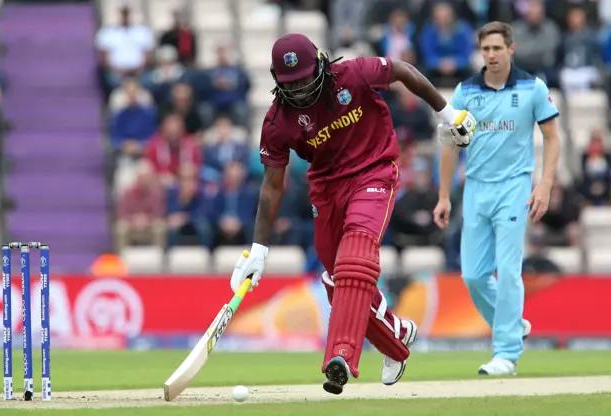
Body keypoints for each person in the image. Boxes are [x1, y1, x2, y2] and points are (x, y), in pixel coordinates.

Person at [228, 33, 476, 394]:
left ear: (321, 65)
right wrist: (259, 248)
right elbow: (272, 185)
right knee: (335, 279)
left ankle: (341, 355)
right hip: (327, 189)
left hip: (374, 170)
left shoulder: (354, 73)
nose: (298, 89)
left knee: (354, 259)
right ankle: (396, 337)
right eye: (289, 84)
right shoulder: (278, 121)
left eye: (304, 79)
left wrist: (448, 113)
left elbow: (404, 72)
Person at [433, 21, 560, 376]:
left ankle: (506, 353)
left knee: (508, 270)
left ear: (511, 49)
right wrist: (444, 196)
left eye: (497, 48)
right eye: (485, 49)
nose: (491, 55)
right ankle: (513, 324)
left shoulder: (532, 87)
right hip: (476, 187)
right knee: (473, 276)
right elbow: (449, 146)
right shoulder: (465, 92)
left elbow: (552, 137)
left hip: (515, 188)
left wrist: (545, 184)